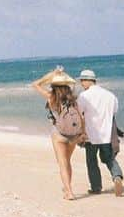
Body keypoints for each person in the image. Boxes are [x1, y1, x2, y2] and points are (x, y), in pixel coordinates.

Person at [30, 67, 85, 200]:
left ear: (53, 86)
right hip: (74, 134)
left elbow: (35, 84)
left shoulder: (51, 97)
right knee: (68, 161)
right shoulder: (73, 99)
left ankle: (69, 191)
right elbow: (81, 117)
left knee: (62, 163)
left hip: (59, 135)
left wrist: (52, 74)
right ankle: (68, 188)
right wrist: (83, 133)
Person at [77, 69, 124, 196]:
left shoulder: (84, 96)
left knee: (92, 161)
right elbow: (114, 112)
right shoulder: (110, 95)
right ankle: (117, 176)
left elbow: (79, 113)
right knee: (109, 158)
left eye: (82, 81)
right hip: (107, 134)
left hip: (91, 135)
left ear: (87, 81)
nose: (81, 83)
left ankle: (96, 187)